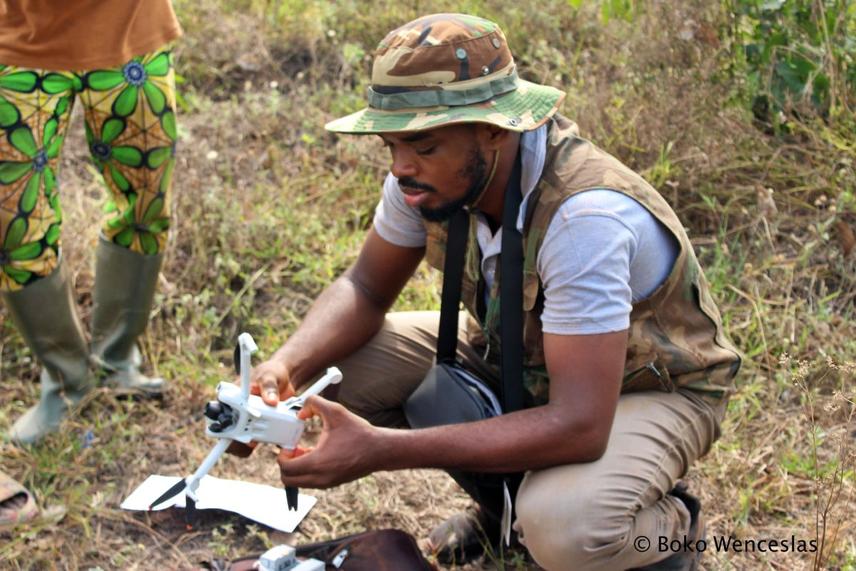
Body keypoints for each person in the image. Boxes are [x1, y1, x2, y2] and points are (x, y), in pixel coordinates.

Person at [245, 14, 741, 570]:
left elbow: (580, 424)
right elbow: (363, 287)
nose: (401, 167)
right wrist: (283, 370)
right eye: (390, 144)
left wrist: (382, 451)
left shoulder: (584, 219)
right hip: (527, 351)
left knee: (569, 528)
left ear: (495, 129)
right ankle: (502, 513)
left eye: (422, 145)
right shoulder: (430, 179)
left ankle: (668, 535)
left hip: (646, 384)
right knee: (333, 373)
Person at [0, 0, 181, 525]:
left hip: (132, 34)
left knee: (145, 205)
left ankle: (117, 359)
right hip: (19, 46)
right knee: (14, 228)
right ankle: (66, 381)